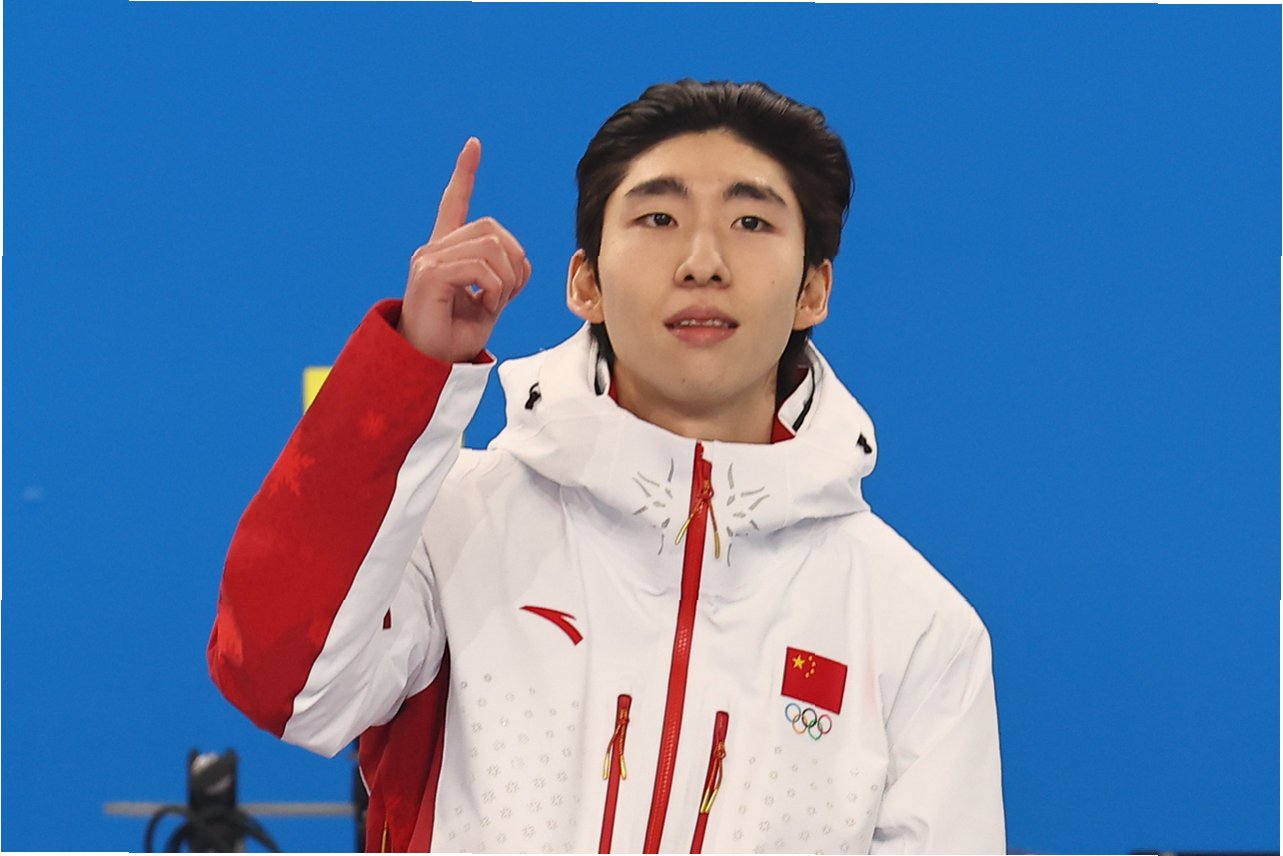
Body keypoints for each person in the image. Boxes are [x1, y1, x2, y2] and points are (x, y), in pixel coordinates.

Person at [208, 79, 1005, 854]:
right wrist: (410, 371)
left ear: (813, 291)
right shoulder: (451, 526)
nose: (702, 260)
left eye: (750, 222)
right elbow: (290, 687)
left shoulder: (915, 626)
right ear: (585, 283)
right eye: (658, 218)